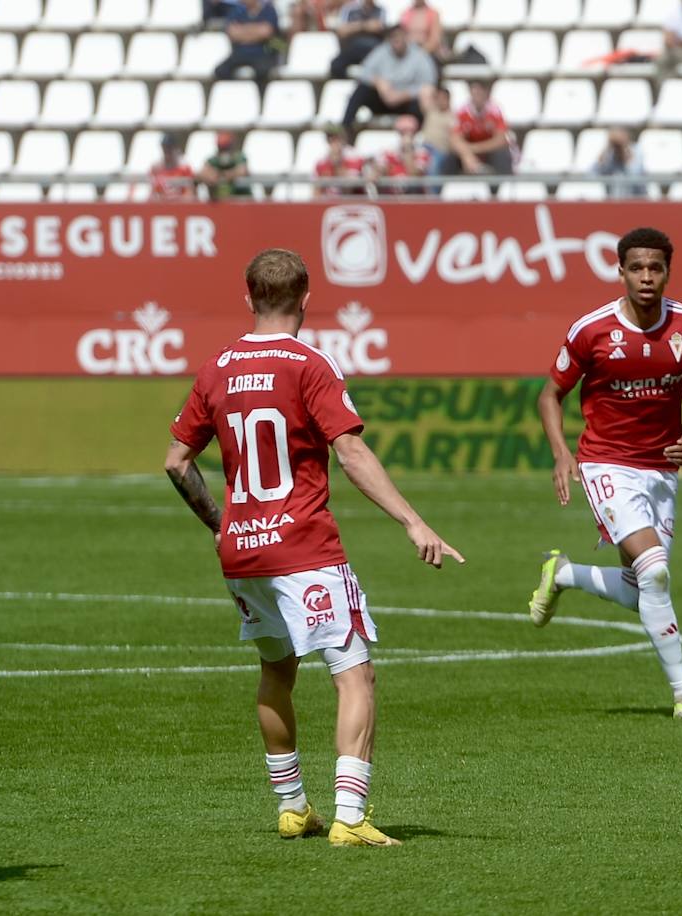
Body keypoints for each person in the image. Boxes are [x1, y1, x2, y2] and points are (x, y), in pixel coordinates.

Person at [165, 248, 463, 847]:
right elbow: (351, 453)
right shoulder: (310, 363)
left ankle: (293, 807)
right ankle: (350, 816)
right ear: (306, 298)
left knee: (277, 669)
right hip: (304, 548)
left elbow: (176, 462)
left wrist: (223, 525)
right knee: (355, 675)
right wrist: (412, 521)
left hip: (242, 553)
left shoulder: (217, 366)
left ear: (248, 298)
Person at [529, 227, 682, 724]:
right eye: (636, 268)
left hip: (662, 469)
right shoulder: (591, 330)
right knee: (655, 569)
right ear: (620, 271)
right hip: (606, 463)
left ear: (667, 273)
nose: (645, 277)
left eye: (654, 268)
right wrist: (560, 454)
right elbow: (550, 394)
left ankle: (565, 574)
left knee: (643, 589)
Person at [342, 26, 437, 131]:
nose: (397, 42)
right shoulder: (381, 51)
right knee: (361, 90)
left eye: (400, 38)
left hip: (406, 102)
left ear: (406, 38)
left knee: (425, 97)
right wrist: (378, 82)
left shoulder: (419, 55)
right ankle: (345, 129)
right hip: (383, 100)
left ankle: (425, 135)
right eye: (394, 39)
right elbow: (364, 73)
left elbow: (428, 84)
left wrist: (404, 94)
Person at [445, 79, 512, 176]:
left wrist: (475, 148)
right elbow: (454, 139)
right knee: (449, 158)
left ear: (486, 93)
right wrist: (466, 154)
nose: (477, 96)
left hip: (489, 153)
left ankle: (497, 188)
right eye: (474, 92)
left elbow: (501, 140)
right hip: (469, 153)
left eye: (480, 92)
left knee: (502, 155)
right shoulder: (462, 112)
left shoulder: (495, 111)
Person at [214, 0, 282, 88]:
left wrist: (243, 32)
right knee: (221, 71)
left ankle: (259, 97)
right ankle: (234, 93)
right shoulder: (236, 11)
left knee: (262, 71)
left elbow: (266, 31)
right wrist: (256, 33)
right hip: (239, 54)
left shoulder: (269, 10)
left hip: (262, 54)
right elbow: (232, 33)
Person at [372, 113, 431, 193]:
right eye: (402, 132)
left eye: (411, 132)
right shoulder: (388, 152)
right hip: (392, 197)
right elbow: (380, 170)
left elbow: (414, 175)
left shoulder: (422, 153)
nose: (407, 135)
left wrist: (407, 149)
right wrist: (377, 171)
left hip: (414, 197)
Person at [330, 0, 387, 79]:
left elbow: (378, 27)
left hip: (372, 50)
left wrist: (354, 27)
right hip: (352, 48)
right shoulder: (349, 9)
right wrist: (364, 26)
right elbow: (342, 31)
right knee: (336, 66)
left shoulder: (380, 10)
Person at [593, 128, 648, 199]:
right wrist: (608, 148)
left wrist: (625, 152)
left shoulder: (636, 150)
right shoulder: (609, 152)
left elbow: (635, 175)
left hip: (635, 198)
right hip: (611, 199)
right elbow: (593, 173)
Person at [315, 125, 366, 195]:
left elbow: (352, 184)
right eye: (331, 139)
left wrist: (337, 163)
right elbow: (316, 190)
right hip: (331, 201)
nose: (334, 142)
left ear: (343, 139)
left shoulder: (354, 156)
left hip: (353, 200)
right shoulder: (321, 162)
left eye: (337, 138)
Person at [199, 131, 251, 199]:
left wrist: (223, 175)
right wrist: (213, 175)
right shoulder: (213, 159)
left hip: (241, 198)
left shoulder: (239, 157)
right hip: (219, 200)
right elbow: (204, 172)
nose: (223, 151)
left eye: (226, 147)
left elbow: (242, 170)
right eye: (221, 147)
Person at [419, 85, 454, 175]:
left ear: (448, 99)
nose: (440, 101)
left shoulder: (453, 117)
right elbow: (423, 92)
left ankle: (432, 189)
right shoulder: (431, 111)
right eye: (438, 98)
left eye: (443, 98)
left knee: (434, 165)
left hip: (441, 151)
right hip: (425, 147)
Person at [151, 133, 197, 200]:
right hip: (162, 206)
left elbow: (190, 193)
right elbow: (153, 194)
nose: (167, 151)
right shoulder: (156, 169)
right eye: (164, 148)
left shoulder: (185, 168)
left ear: (175, 148)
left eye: (169, 148)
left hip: (180, 207)